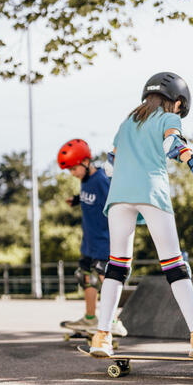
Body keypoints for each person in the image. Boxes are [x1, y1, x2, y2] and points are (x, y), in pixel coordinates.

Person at [90, 72, 193, 357]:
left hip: (118, 199)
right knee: (174, 265)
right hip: (151, 194)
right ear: (177, 102)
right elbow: (172, 145)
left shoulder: (127, 122)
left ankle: (102, 336)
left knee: (115, 267)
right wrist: (192, 160)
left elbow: (109, 167)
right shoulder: (169, 119)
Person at [57, 139, 127, 337]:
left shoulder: (102, 180)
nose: (72, 174)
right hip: (89, 241)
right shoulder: (85, 180)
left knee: (106, 277)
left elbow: (115, 204)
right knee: (85, 276)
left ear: (86, 162)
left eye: (74, 169)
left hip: (104, 240)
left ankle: (114, 321)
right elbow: (91, 198)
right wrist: (77, 200)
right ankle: (90, 318)